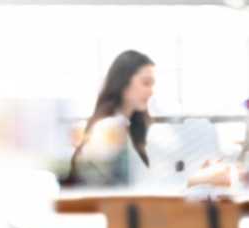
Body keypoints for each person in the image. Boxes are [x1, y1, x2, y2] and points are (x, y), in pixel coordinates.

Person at [64, 49, 232, 189]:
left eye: (152, 85)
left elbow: (145, 182)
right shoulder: (108, 128)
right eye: (145, 83)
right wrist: (198, 179)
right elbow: (126, 190)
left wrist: (197, 177)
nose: (151, 92)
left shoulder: (130, 126)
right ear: (123, 82)